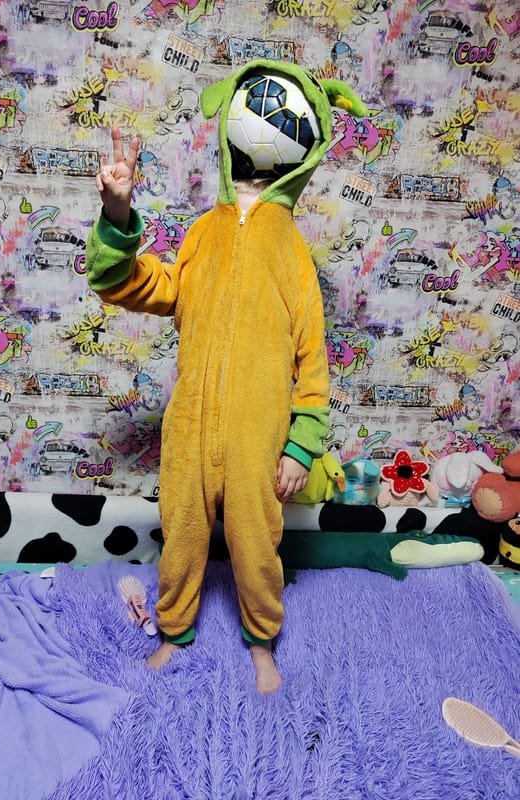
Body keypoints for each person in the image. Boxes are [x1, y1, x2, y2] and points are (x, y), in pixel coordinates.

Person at [86, 59, 367, 694]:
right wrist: (118, 217)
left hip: (255, 434)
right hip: (188, 428)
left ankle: (262, 641)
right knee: (180, 531)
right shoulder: (202, 233)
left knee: (255, 541)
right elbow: (130, 283)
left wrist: (300, 444)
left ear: (303, 148)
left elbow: (313, 359)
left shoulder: (290, 249)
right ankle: (173, 631)